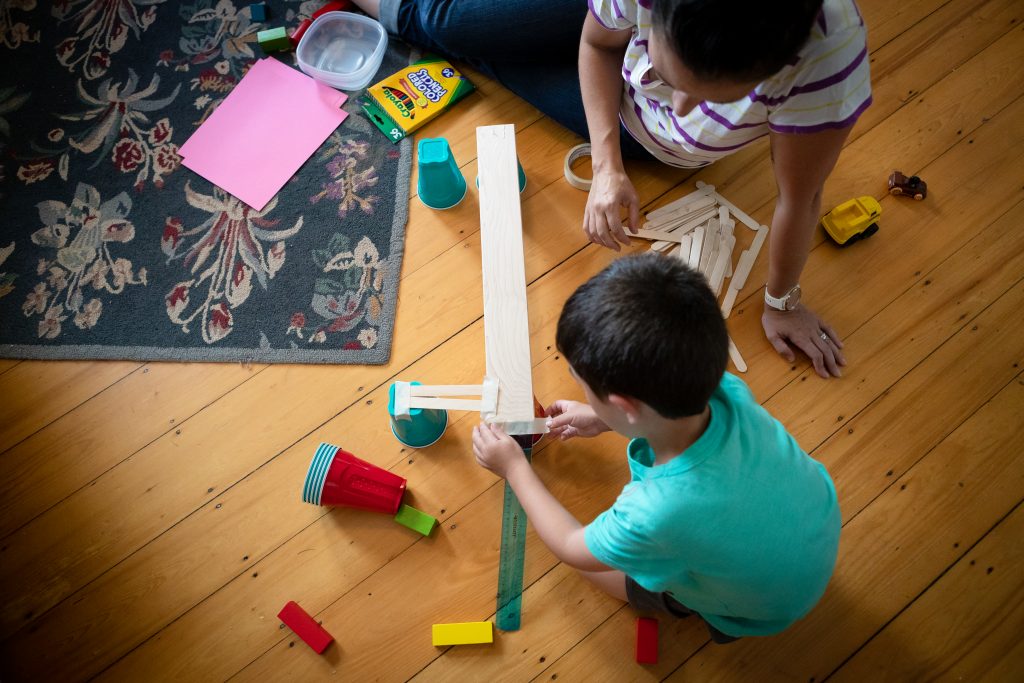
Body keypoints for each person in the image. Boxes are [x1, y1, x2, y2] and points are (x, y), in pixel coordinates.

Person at [348, 0, 870, 379]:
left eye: (713, 98)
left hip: (641, 132)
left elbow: (800, 198)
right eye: (670, 76)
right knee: (448, 22)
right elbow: (597, 42)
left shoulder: (827, 64)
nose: (680, 105)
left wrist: (780, 301)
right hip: (606, 42)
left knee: (473, 47)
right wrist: (605, 167)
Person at [471, 254, 841, 641]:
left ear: (624, 406)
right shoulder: (726, 389)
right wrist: (602, 418)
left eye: (580, 382)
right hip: (815, 531)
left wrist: (514, 468)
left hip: (762, 608)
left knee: (607, 572)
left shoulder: (652, 512)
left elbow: (569, 545)